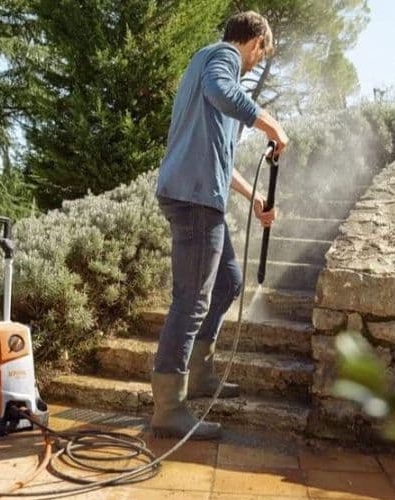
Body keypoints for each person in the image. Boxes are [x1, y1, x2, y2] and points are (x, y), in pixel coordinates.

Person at [151, 10, 289, 440]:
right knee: (191, 299)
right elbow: (221, 89)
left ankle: (202, 372)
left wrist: (255, 199)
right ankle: (169, 408)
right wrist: (273, 126)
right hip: (192, 198)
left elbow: (223, 163)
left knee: (228, 282)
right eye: (261, 54)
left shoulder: (221, 94)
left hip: (201, 196)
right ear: (255, 43)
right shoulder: (221, 58)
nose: (257, 62)